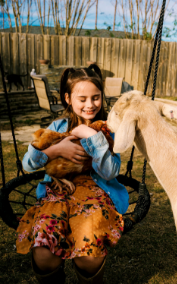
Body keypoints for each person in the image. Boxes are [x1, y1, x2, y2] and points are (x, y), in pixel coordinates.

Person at [18, 64, 125, 283]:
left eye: (95, 98)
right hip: (59, 191)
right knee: (44, 255)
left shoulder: (107, 129)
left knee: (88, 256)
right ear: (68, 98)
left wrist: (91, 137)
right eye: (82, 98)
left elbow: (110, 172)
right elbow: (28, 164)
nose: (90, 104)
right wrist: (55, 150)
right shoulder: (58, 126)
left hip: (96, 192)